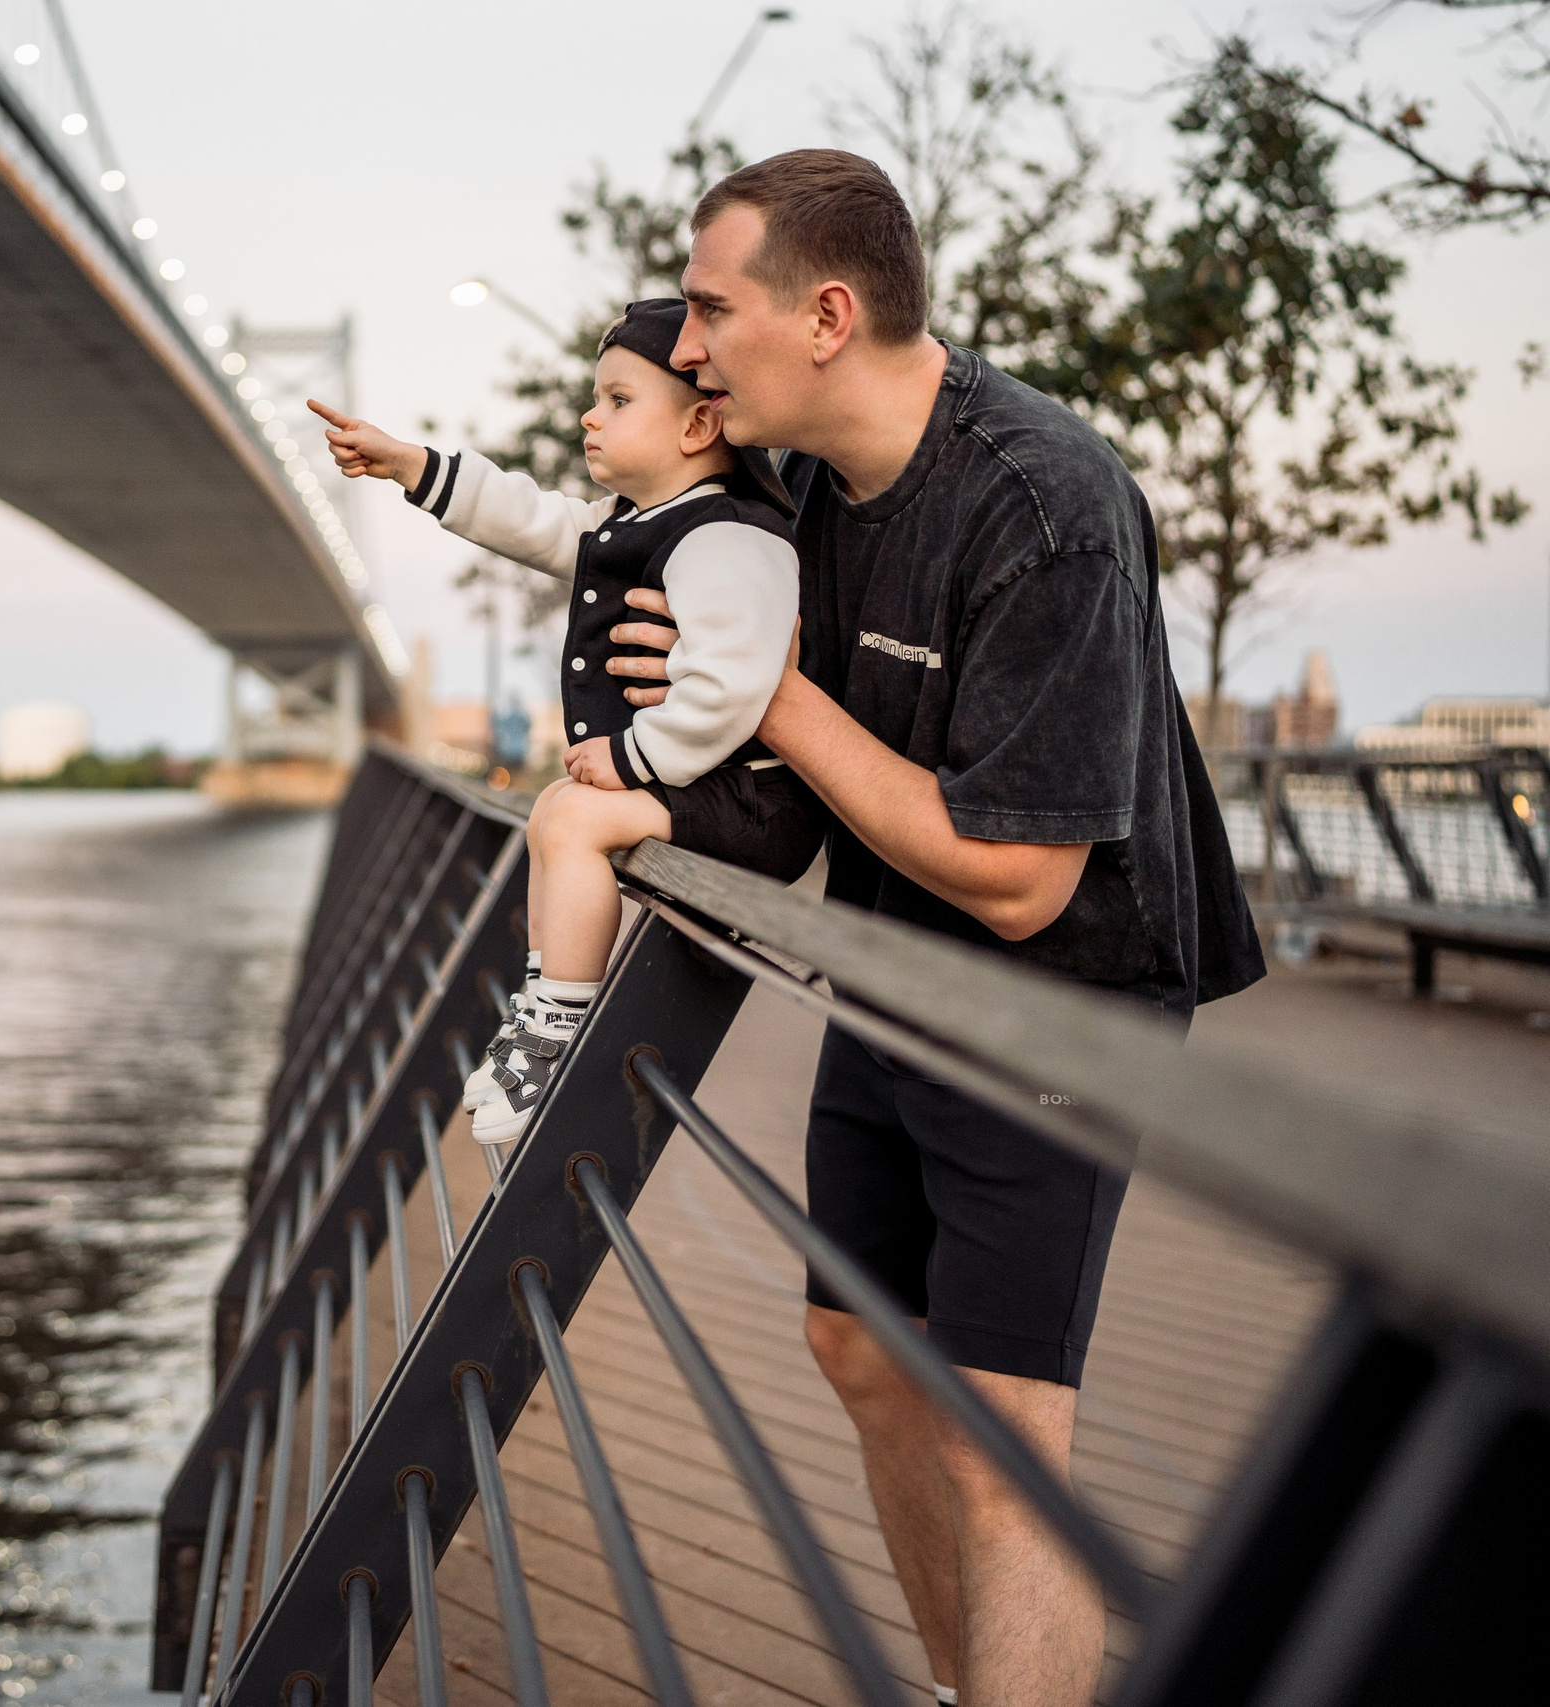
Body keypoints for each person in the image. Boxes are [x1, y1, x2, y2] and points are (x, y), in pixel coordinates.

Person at [584, 150, 1263, 1707]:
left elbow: (1022, 878)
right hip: (893, 959)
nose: (686, 346)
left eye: (711, 309)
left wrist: (768, 694)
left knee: (1003, 1433)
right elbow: (766, 750)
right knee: (860, 1345)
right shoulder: (807, 492)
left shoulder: (1048, 505)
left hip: (1061, 999)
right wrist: (637, 766)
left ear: (827, 317)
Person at [308, 300, 824, 1148]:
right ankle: (544, 998)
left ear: (699, 425)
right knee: (552, 809)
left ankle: (556, 1032)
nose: (590, 416)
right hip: (707, 789)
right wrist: (411, 466)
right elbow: (531, 519)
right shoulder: (634, 524)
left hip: (757, 804)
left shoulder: (727, 539)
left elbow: (732, 687)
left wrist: (632, 757)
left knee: (577, 817)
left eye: (618, 400)